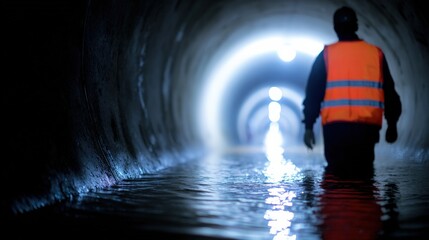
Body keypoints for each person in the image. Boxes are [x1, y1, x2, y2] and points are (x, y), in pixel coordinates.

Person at [302, 6, 402, 177]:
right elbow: (390, 93)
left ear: (334, 28)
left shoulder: (326, 55)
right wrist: (392, 124)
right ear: (356, 26)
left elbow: (313, 94)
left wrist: (309, 126)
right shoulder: (375, 54)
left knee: (336, 177)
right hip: (366, 129)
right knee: (363, 175)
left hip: (335, 129)